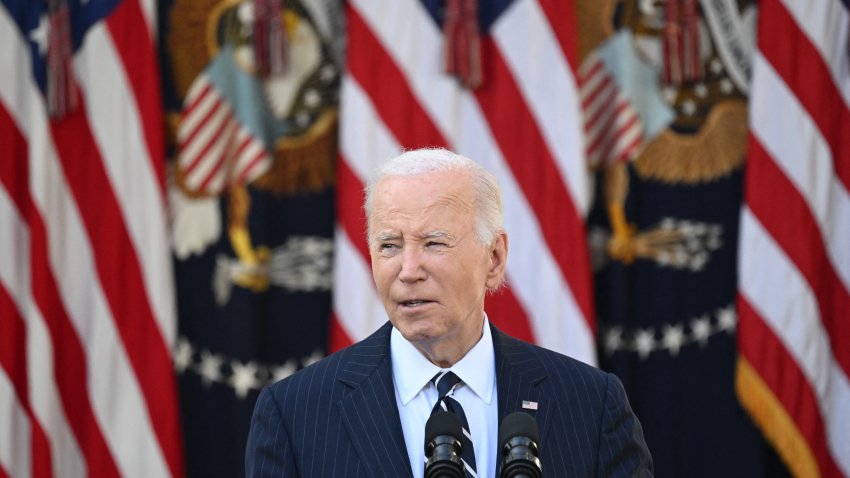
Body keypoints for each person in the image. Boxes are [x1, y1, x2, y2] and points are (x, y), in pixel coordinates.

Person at [246, 148, 653, 477]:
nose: (407, 271)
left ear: (494, 258)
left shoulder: (590, 405)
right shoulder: (295, 415)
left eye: (434, 244)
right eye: (389, 245)